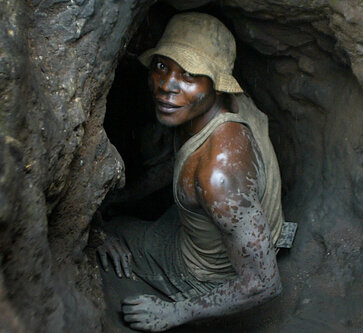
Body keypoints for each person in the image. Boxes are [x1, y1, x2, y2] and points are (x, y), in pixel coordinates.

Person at [97, 12, 286, 332]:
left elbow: (264, 283)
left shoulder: (219, 176)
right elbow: (182, 167)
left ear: (215, 82)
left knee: (111, 230)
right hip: (236, 228)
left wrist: (175, 312)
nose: (167, 86)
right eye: (161, 66)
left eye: (189, 74)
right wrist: (123, 195)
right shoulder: (224, 106)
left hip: (211, 274)